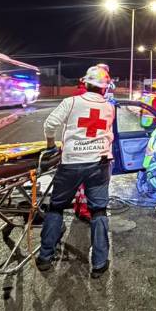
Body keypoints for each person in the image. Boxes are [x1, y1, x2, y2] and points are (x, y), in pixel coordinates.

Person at [37, 65, 115, 277]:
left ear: (85, 83)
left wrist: (51, 145)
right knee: (99, 211)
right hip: (99, 164)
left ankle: (45, 257)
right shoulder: (110, 107)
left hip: (71, 164)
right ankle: (99, 264)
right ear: (104, 88)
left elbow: (50, 124)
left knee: (56, 208)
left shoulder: (71, 102)